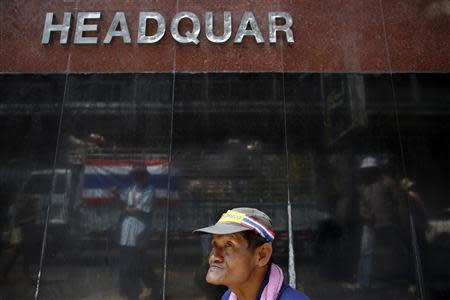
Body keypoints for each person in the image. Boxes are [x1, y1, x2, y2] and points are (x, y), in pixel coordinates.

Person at [194, 207, 310, 300]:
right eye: (214, 244)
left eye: (229, 245)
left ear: (262, 255)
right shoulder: (228, 297)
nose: (214, 257)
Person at [114, 164, 156, 300]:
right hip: (126, 232)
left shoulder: (149, 191)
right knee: (129, 262)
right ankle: (133, 289)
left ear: (145, 176)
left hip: (140, 231)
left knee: (135, 263)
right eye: (136, 175)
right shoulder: (130, 190)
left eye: (140, 175)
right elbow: (123, 204)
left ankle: (137, 291)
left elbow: (142, 209)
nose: (138, 178)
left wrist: (127, 209)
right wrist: (116, 195)